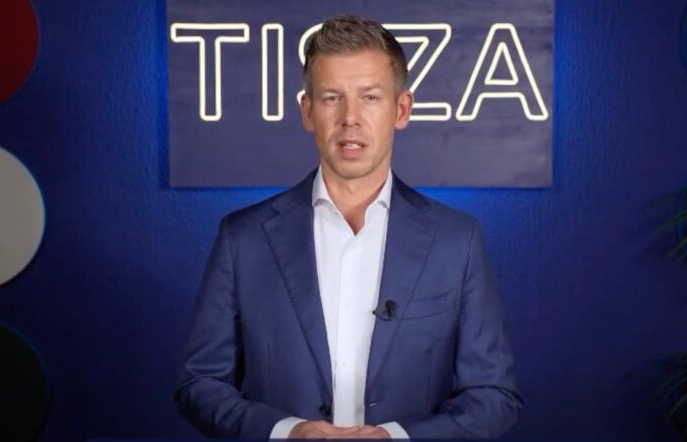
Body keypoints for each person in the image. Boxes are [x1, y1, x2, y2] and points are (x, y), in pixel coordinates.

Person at [175, 14, 521, 439]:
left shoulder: (457, 241)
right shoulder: (242, 239)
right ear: (308, 111)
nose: (350, 117)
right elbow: (199, 384)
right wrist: (287, 432)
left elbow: (493, 396)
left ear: (402, 109)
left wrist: (396, 438)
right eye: (332, 97)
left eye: (370, 97)